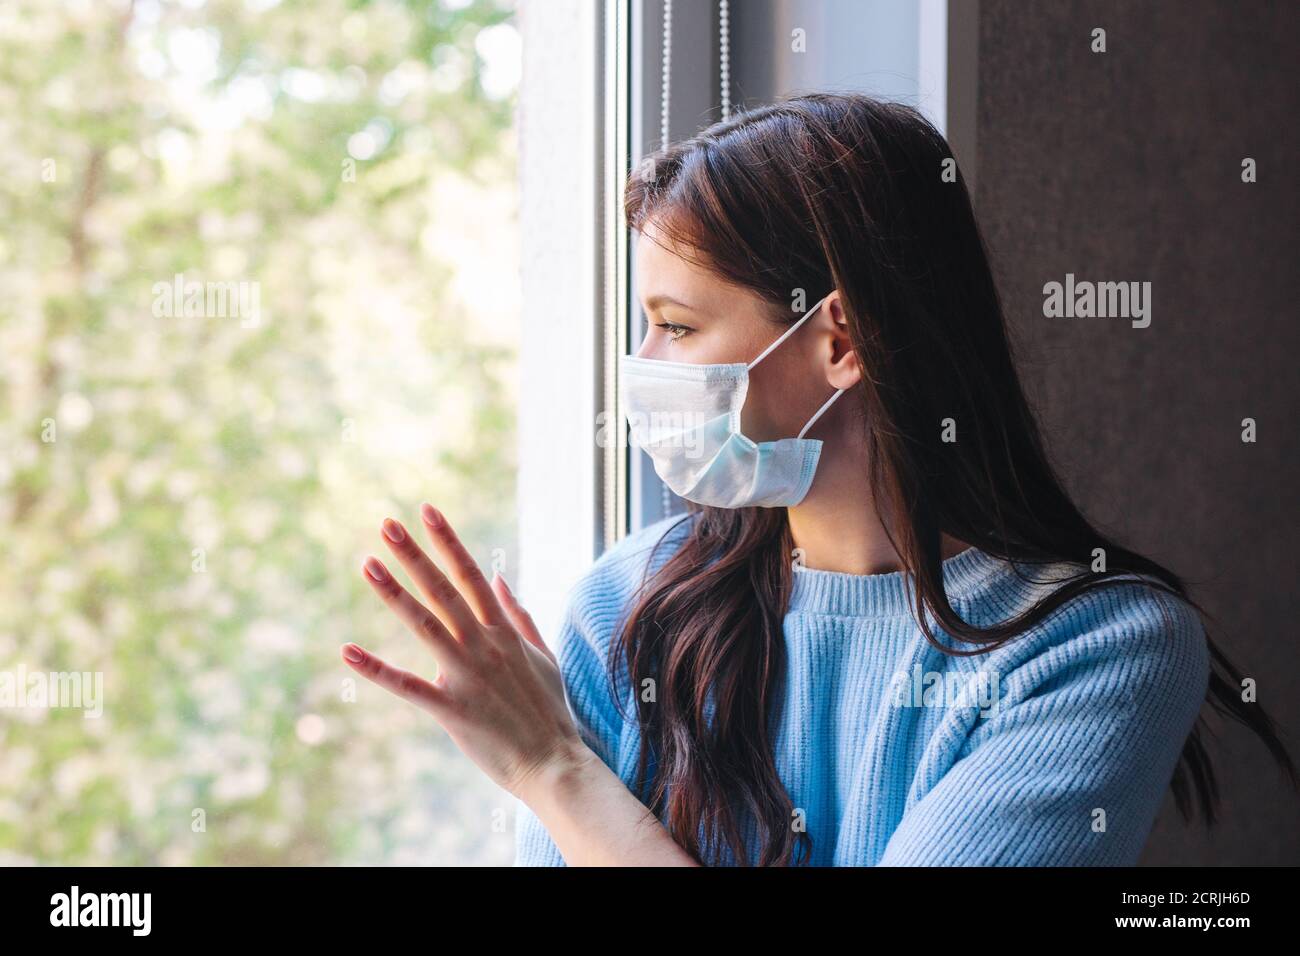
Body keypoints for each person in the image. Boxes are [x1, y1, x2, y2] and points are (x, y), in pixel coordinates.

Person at [341, 93, 1295, 866]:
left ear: (839, 338)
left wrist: (555, 769)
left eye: (676, 326)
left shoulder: (1099, 649)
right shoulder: (625, 609)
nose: (644, 364)